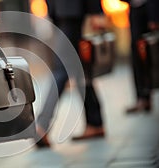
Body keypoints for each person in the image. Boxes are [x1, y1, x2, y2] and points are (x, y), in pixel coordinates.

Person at [36, 0, 105, 147]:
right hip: (60, 10)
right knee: (76, 68)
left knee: (61, 67)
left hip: (71, 9)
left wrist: (96, 11)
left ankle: (42, 125)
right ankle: (95, 122)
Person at [121, 0, 159, 113]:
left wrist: (155, 15)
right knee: (137, 54)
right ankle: (143, 97)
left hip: (151, 6)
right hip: (135, 7)